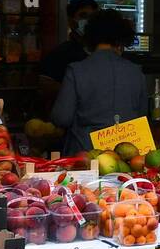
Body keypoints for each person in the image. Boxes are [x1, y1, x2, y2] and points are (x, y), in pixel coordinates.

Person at [50, 9, 148, 156]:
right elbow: (142, 116)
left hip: (85, 155)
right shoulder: (136, 72)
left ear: (90, 37)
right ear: (120, 39)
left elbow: (62, 118)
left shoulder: (77, 70)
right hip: (127, 156)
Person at [39, 0, 97, 108]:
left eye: (92, 17)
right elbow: (46, 86)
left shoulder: (102, 52)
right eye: (83, 16)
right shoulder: (60, 54)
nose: (88, 21)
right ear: (71, 21)